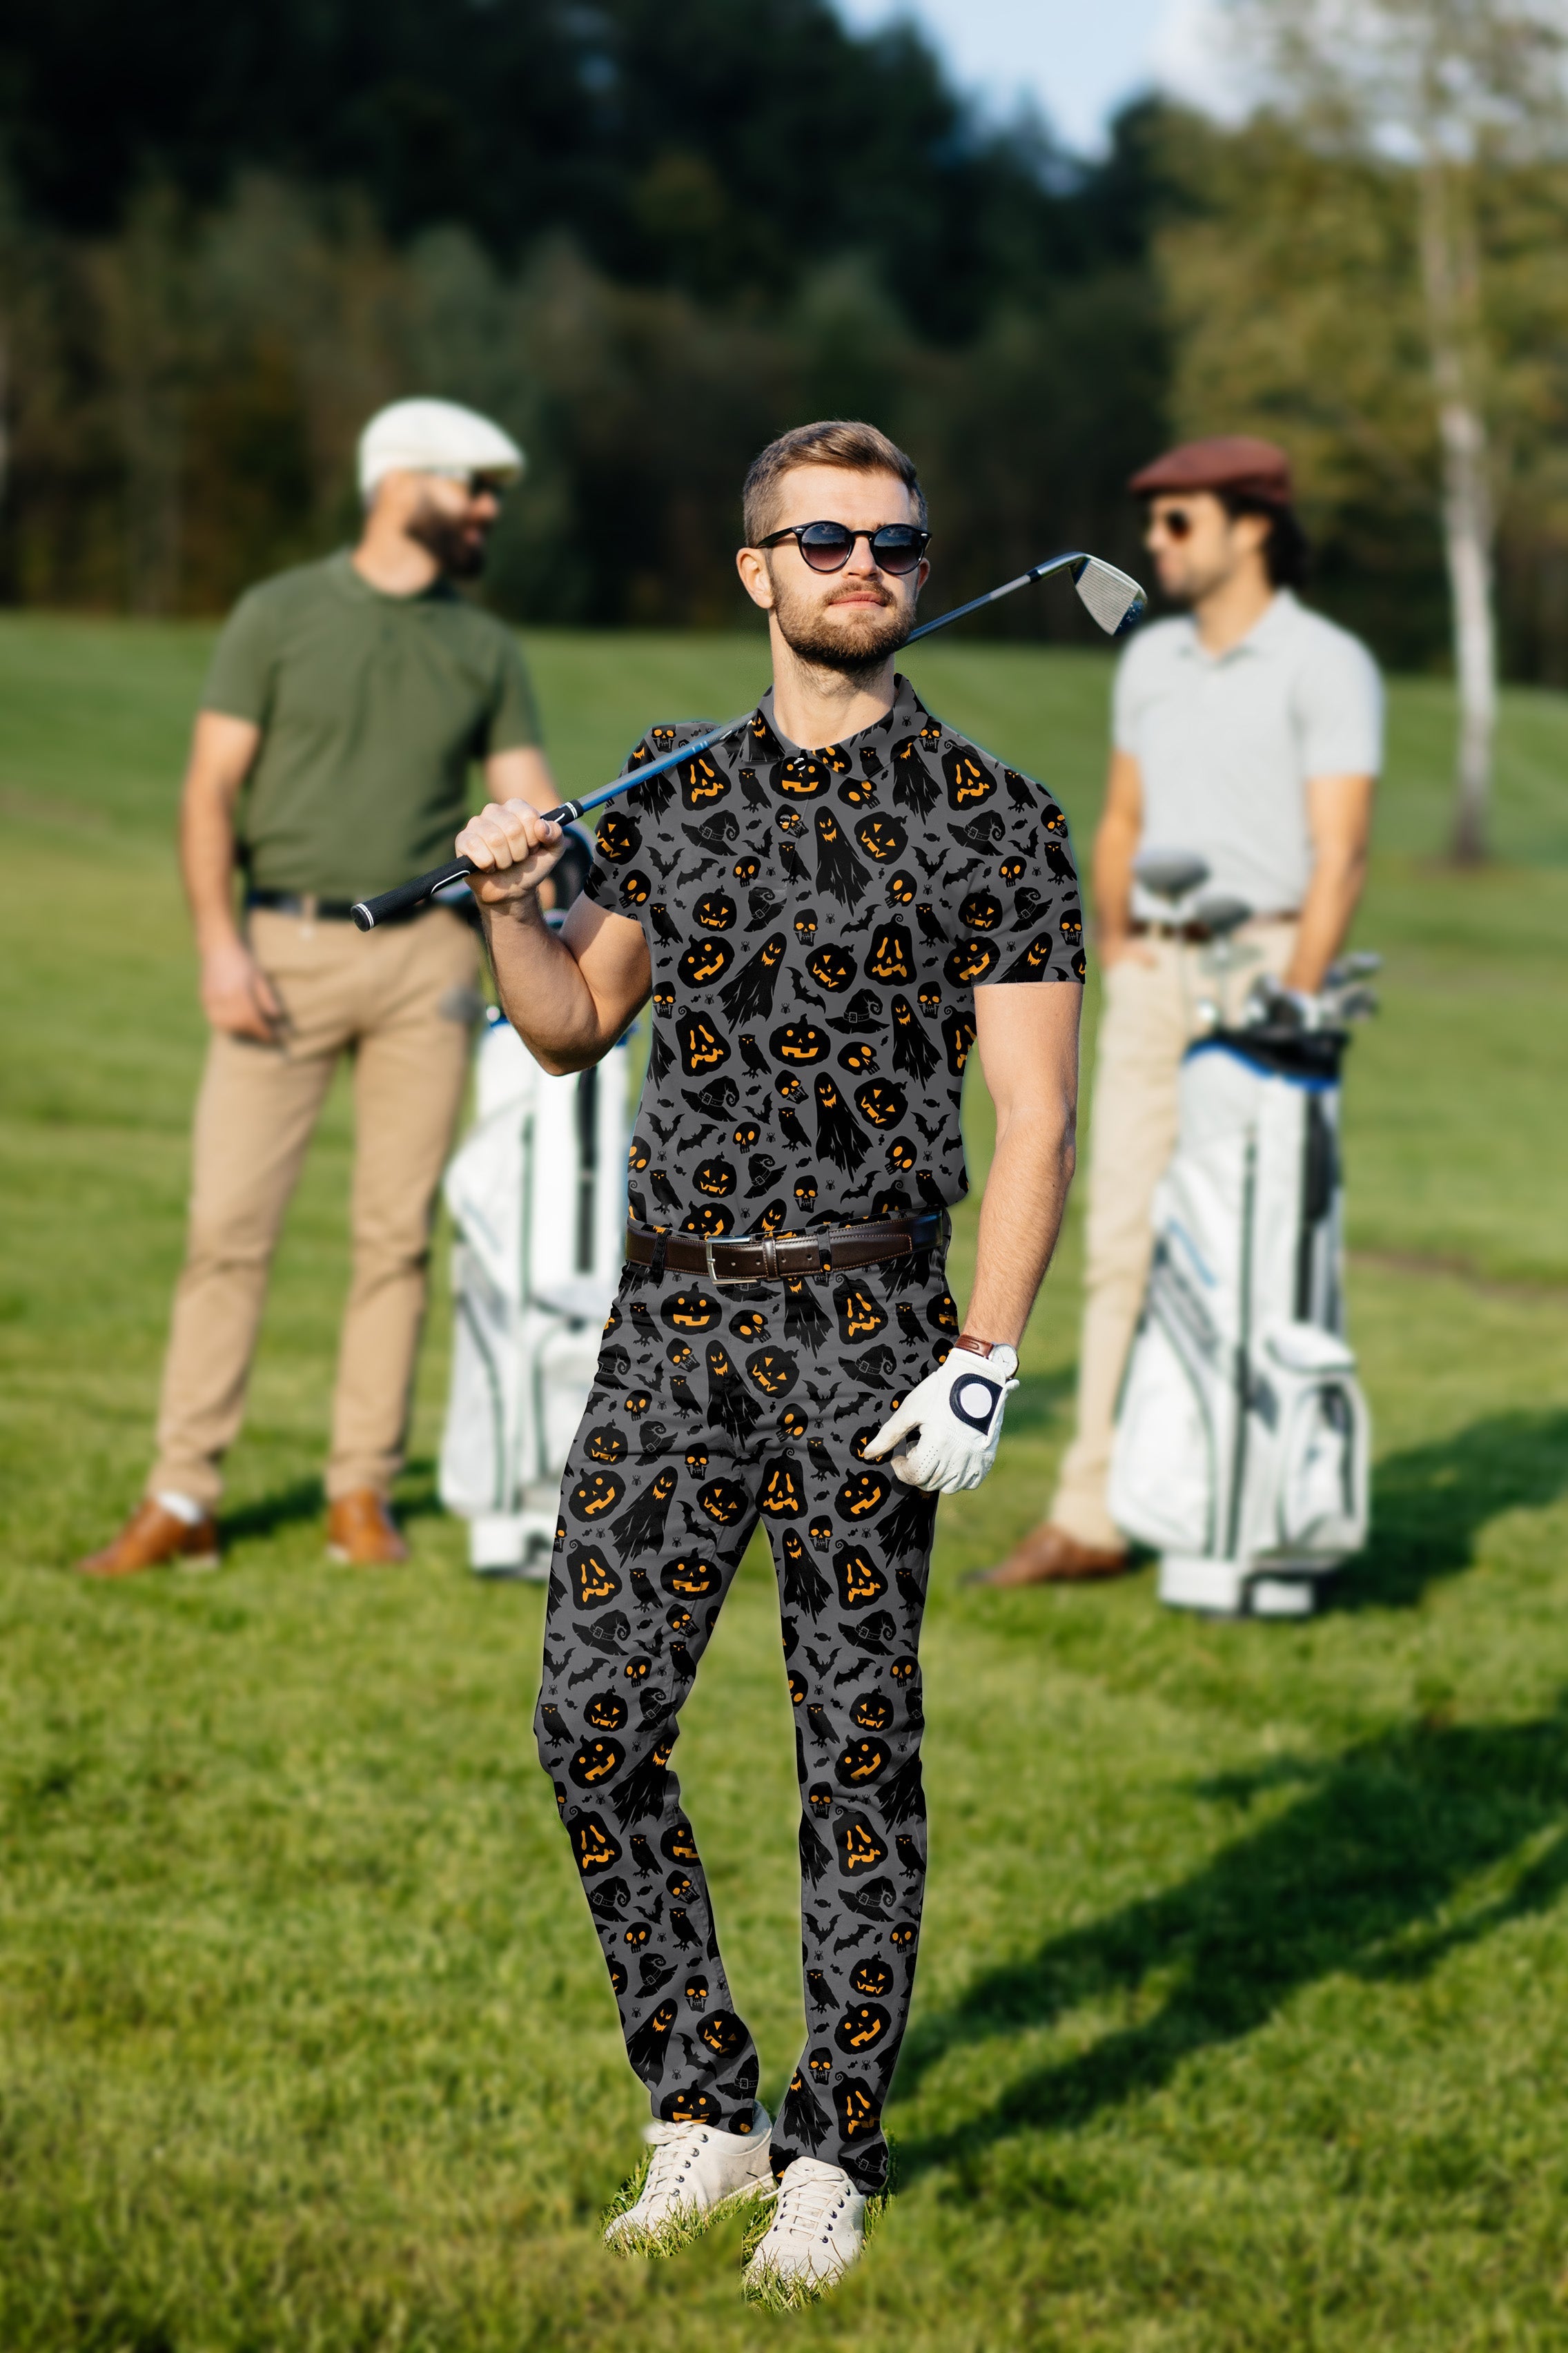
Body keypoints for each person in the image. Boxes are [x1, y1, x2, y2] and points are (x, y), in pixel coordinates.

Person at [453, 420, 1082, 2301]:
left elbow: (1037, 1115)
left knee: (854, 1752)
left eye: (893, 538)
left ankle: (834, 2147)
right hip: (671, 1324)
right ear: (761, 574)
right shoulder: (679, 785)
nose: (863, 563)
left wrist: (989, 1354)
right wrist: (508, 896)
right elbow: (570, 1025)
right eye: (823, 539)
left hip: (872, 1327)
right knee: (592, 1717)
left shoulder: (996, 811)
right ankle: (703, 2099)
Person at [77, 398, 558, 1577]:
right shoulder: (277, 615)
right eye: (473, 486)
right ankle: (183, 1493)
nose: (489, 508)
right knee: (226, 1230)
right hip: (278, 950)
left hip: (430, 967)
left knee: (394, 1237)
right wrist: (217, 947)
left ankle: (360, 1496)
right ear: (400, 483)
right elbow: (209, 792)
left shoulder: (484, 645)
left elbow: (535, 801)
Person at [979, 434, 1382, 1589]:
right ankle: (1094, 1511)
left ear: (1253, 525)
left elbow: (1342, 854)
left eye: (1179, 522)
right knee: (1117, 1245)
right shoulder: (1150, 661)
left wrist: (1293, 1004)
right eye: (1150, 523)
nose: (1155, 544)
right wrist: (1121, 946)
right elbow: (1120, 821)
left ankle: (1246, 1509)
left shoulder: (1326, 662)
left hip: (1265, 971)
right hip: (1154, 973)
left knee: (1251, 1250)